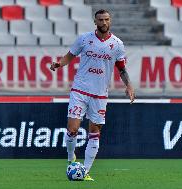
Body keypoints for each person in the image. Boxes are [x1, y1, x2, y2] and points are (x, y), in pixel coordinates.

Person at [50, 9, 135, 181]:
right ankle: (70, 158)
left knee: (95, 132)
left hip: (100, 94)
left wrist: (129, 86)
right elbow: (69, 56)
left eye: (106, 19)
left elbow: (121, 68)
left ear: (110, 21)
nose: (104, 23)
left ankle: (85, 171)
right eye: (100, 20)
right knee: (72, 129)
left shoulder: (117, 44)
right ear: (94, 22)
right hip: (80, 89)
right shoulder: (84, 39)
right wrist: (59, 64)